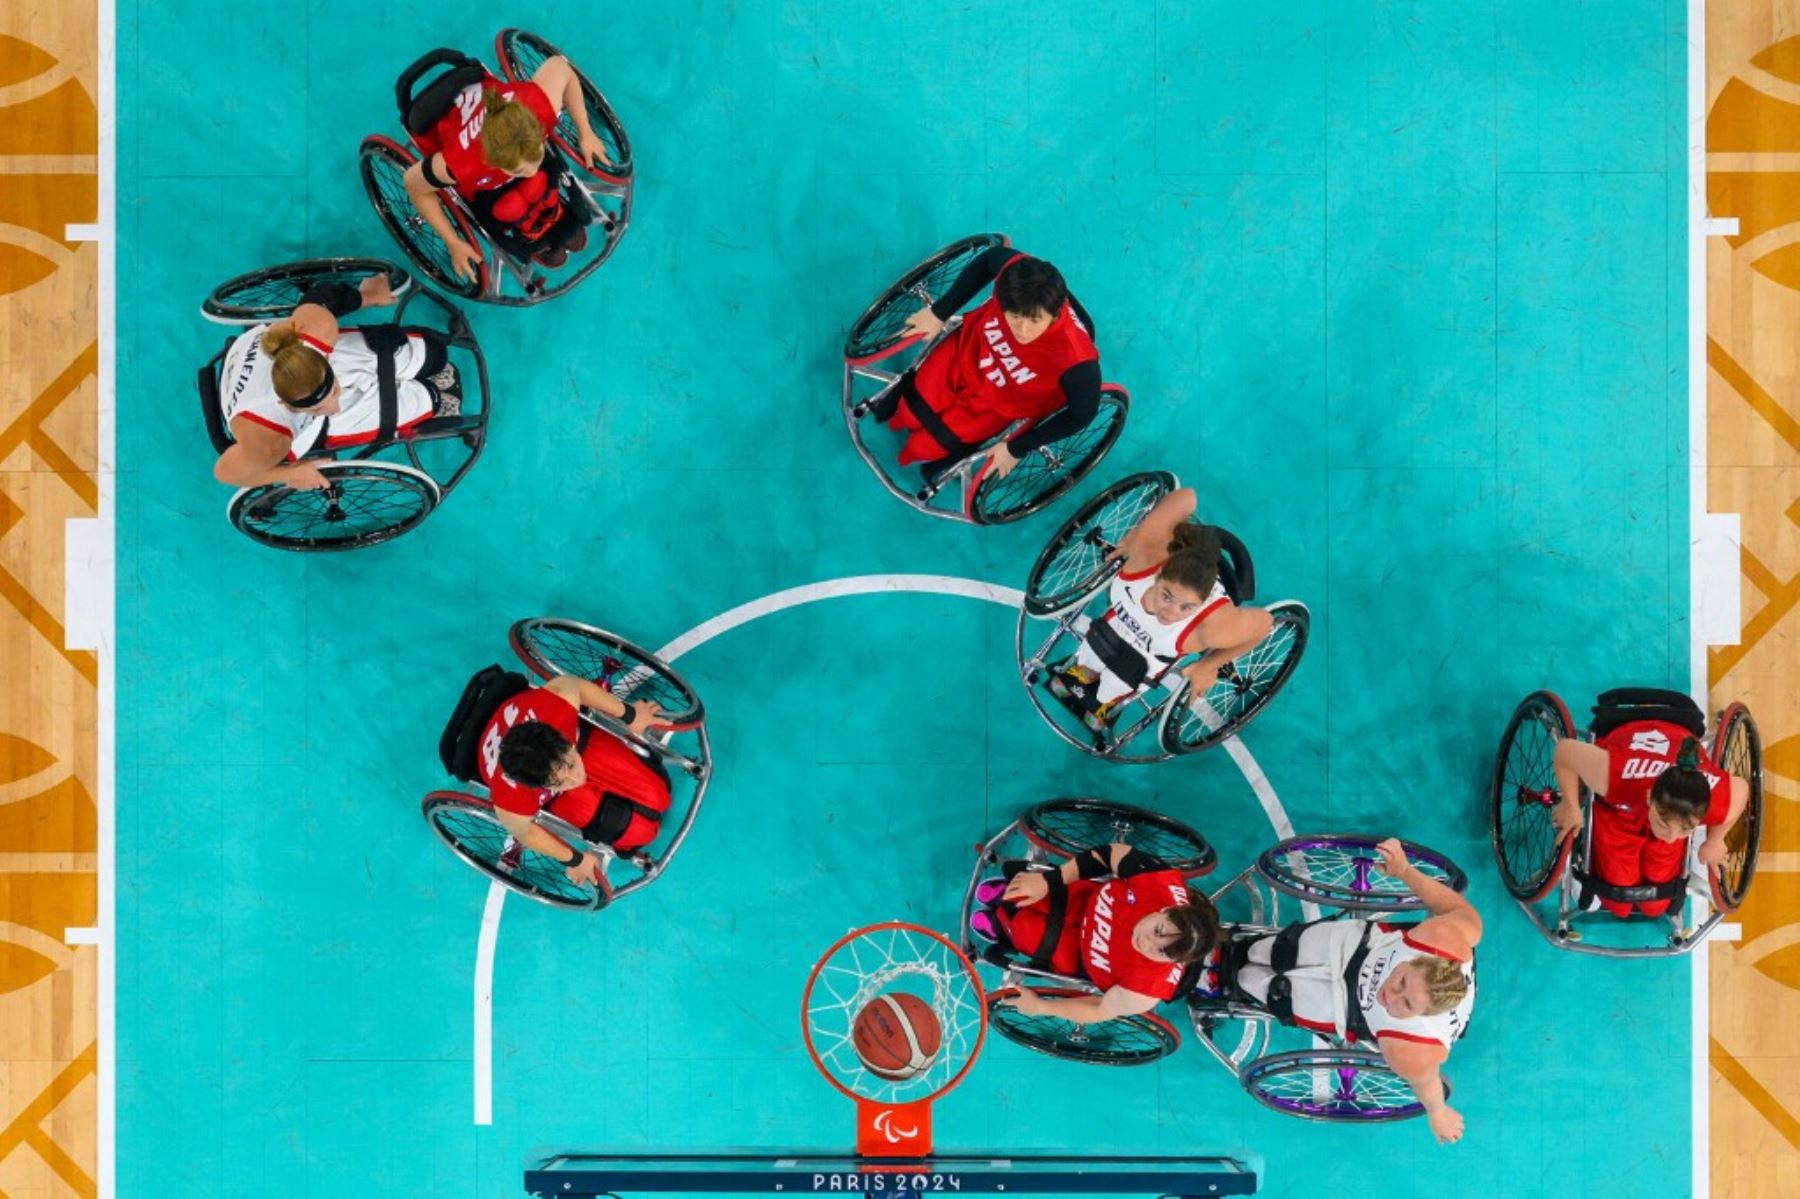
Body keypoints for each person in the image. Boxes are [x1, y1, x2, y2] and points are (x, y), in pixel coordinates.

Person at [1217, 839, 1479, 1146]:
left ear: (1421, 1015)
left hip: (1346, 1009)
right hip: (1352, 948)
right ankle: (1239, 949)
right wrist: (1405, 871)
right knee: (1271, 951)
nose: (1390, 996)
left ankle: (1227, 979)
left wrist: (1438, 1112)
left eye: (1406, 1004)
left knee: (1256, 983)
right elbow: (1453, 906)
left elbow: (1427, 1083)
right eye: (1402, 982)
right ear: (1419, 960)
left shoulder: (1414, 1049)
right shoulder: (1443, 937)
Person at [1047, 485, 1274, 731]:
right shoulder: (1144, 556)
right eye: (1166, 596)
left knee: (1109, 689)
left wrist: (1207, 666)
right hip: (1108, 636)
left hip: (1140, 665)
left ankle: (1106, 699)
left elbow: (1264, 624)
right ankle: (1088, 674)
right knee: (1086, 663)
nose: (1171, 612)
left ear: (1202, 603)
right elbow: (1188, 495)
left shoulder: (1211, 627)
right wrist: (1139, 533)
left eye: (1186, 607)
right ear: (1157, 576)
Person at [869, 243, 1100, 481]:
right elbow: (990, 258)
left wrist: (1016, 448)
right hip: (968, 350)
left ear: (1054, 316)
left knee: (920, 449)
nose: (1022, 329)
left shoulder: (1077, 361)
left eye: (1034, 321)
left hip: (1004, 399)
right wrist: (939, 312)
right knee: (907, 413)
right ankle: (902, 406)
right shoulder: (1012, 279)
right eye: (1016, 317)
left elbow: (1082, 415)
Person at [212, 271, 457, 490]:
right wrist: (289, 473)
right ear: (288, 406)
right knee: (431, 399)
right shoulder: (271, 441)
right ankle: (421, 398)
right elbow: (225, 473)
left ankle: (331, 391)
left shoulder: (319, 329)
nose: (334, 407)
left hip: (292, 362)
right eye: (319, 408)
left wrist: (367, 296)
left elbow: (324, 296)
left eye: (335, 391)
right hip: (269, 418)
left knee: (435, 354)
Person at [401, 50, 612, 281]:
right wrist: (452, 241)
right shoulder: (460, 164)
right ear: (492, 161)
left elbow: (560, 67)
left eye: (536, 155)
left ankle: (551, 211)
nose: (530, 170)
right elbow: (412, 184)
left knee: (539, 178)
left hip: (491, 123)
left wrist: (586, 132)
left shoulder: (534, 106)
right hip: (449, 137)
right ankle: (529, 228)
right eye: (520, 170)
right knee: (509, 206)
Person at [974, 841, 1221, 1025]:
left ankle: (1004, 929)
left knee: (1023, 928)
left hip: (1079, 952)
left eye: (1161, 952)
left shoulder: (1146, 991)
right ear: (1167, 909)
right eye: (1158, 930)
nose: (1147, 942)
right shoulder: (1158, 883)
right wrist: (1050, 880)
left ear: (1175, 964)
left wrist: (1040, 1006)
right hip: (1082, 901)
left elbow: (1099, 1009)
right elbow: (1110, 854)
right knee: (1026, 893)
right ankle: (1012, 902)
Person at [476, 673, 672, 890]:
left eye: (570, 766)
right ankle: (562, 775)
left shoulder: (557, 711)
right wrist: (575, 859)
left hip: (571, 743)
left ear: (562, 740)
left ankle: (562, 771)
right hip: (549, 776)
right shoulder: (513, 799)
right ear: (536, 787)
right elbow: (525, 832)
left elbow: (573, 684)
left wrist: (630, 714)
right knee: (641, 831)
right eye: (559, 783)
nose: (576, 779)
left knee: (659, 792)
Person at [1551, 710, 1751, 918]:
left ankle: (1667, 825)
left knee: (1655, 906)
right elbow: (1565, 751)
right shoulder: (1615, 774)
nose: (1672, 837)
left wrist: (1715, 840)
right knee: (1618, 904)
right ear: (1649, 798)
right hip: (1622, 808)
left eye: (1687, 829)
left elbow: (1741, 789)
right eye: (1665, 825)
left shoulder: (1710, 798)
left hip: (1660, 795)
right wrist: (1570, 804)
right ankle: (1583, 865)